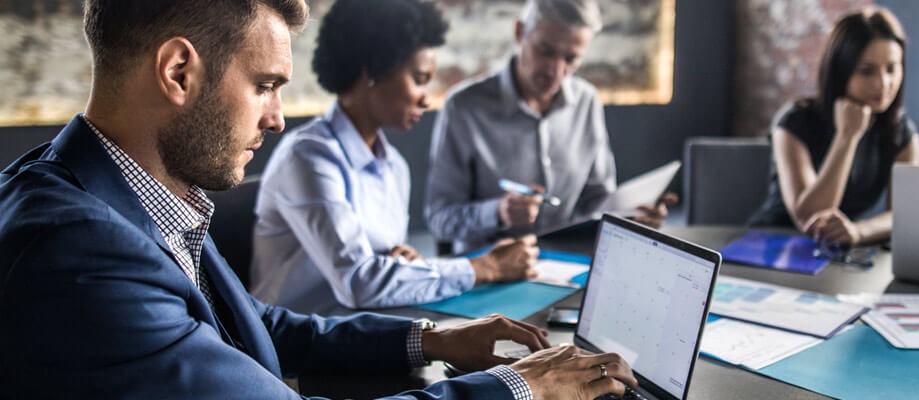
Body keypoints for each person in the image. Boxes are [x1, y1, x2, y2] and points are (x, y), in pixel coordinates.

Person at [0, 1, 635, 398]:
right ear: (178, 73)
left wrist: (429, 340)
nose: (278, 119)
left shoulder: (129, 196)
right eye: (265, 85)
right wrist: (519, 386)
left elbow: (253, 325)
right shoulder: (78, 255)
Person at [251, 0, 539, 314]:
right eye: (419, 79)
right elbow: (360, 282)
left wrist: (405, 263)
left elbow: (377, 271)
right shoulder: (307, 158)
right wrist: (487, 267)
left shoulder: (394, 167)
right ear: (373, 71)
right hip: (294, 352)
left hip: (366, 334)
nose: (427, 99)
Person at [425, 0, 674, 253]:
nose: (556, 71)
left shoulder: (586, 101)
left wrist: (633, 215)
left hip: (564, 266)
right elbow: (439, 219)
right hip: (487, 272)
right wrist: (498, 212)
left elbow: (596, 201)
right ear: (520, 32)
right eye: (545, 51)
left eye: (571, 58)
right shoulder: (464, 107)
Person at [747, 7, 919, 245]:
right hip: (775, 242)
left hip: (836, 249)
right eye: (866, 71)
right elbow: (810, 218)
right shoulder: (794, 122)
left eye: (892, 68)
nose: (883, 83)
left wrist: (857, 231)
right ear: (840, 71)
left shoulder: (901, 134)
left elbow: (902, 215)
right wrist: (847, 137)